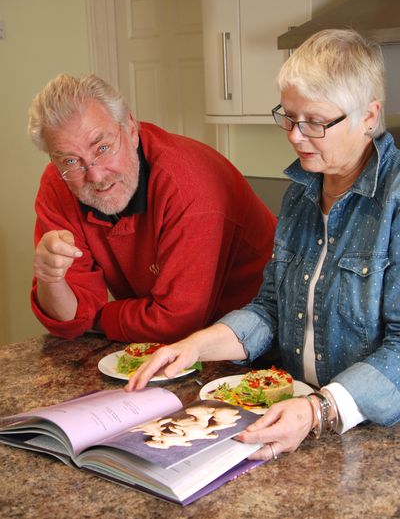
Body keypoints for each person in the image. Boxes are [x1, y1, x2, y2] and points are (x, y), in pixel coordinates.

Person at [126, 29, 400, 461]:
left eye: (314, 121)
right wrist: (194, 346)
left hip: (373, 436)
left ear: (369, 115)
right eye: (288, 117)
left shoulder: (395, 202)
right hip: (293, 417)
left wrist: (319, 409)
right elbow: (271, 307)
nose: (294, 135)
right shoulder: (300, 195)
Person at [28, 74, 277, 343]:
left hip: (253, 339)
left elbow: (177, 322)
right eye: (71, 160)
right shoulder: (58, 183)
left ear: (131, 130)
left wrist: (97, 317)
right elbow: (69, 320)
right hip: (168, 345)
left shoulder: (188, 185)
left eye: (102, 147)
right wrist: (49, 278)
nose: (96, 176)